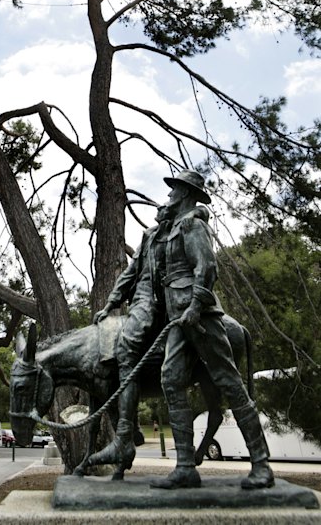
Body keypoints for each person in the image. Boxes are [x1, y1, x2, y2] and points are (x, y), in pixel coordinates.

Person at [150, 170, 274, 491]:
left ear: (187, 194)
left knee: (229, 383)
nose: (169, 195)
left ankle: (261, 464)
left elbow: (207, 267)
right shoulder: (175, 227)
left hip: (199, 315)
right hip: (178, 319)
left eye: (174, 190)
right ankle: (185, 467)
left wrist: (195, 306)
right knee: (171, 380)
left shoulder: (192, 224)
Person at [90, 203, 205, 472]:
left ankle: (124, 435)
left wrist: (199, 213)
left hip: (157, 301)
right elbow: (130, 272)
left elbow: (196, 254)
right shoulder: (150, 235)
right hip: (140, 299)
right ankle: (128, 433)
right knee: (116, 348)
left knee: (125, 349)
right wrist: (111, 303)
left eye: (166, 207)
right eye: (160, 207)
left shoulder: (179, 230)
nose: (161, 207)